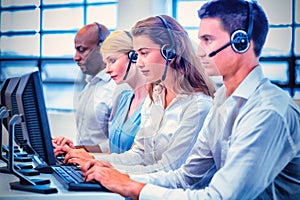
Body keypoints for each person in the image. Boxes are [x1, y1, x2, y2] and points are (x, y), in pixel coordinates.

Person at [81, 1, 300, 199]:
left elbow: (221, 197)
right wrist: (115, 177)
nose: (199, 51)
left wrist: (131, 187)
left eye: (208, 40)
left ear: (241, 43)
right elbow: (186, 177)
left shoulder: (267, 111)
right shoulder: (222, 102)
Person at [56, 15, 216, 175]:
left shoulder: (198, 106)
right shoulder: (156, 96)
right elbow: (139, 155)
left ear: (170, 52)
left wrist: (110, 174)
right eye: (136, 55)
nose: (138, 63)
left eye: (144, 53)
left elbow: (169, 170)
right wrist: (92, 159)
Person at [54, 30, 148, 155]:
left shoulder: (153, 103)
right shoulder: (125, 99)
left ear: (134, 56)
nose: (108, 70)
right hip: (106, 169)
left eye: (113, 61)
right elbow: (112, 149)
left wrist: (85, 157)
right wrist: (76, 151)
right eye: (107, 62)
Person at [53, 23, 117, 153]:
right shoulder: (90, 85)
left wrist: (78, 150)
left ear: (103, 48)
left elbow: (117, 147)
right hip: (84, 163)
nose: (76, 57)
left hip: (103, 168)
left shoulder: (116, 89)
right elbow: (88, 140)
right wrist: (71, 148)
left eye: (82, 50)